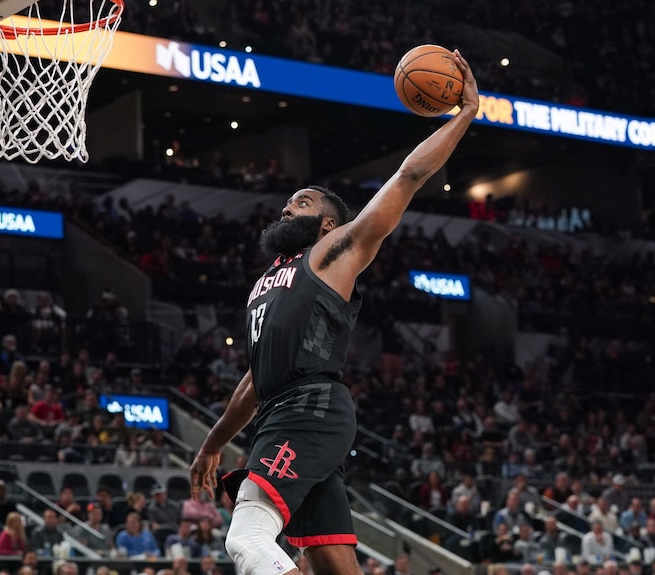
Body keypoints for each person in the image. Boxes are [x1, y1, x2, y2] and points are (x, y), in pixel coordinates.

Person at [189, 50, 479, 575]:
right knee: (331, 564)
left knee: (248, 536)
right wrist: (212, 445)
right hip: (285, 411)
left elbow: (409, 175)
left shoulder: (334, 253)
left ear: (329, 225)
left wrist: (464, 114)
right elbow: (256, 379)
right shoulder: (265, 283)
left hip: (309, 410)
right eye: (287, 203)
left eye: (302, 203)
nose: (286, 208)